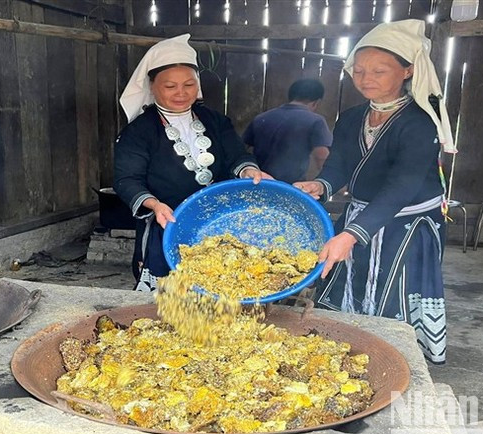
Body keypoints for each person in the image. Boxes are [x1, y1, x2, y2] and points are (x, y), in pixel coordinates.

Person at [294, 20, 457, 364]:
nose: (366, 78)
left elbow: (403, 185)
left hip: (408, 224)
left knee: (393, 292)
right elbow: (338, 163)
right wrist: (321, 185)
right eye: (359, 70)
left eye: (379, 71)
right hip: (362, 217)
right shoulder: (352, 117)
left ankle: (396, 362)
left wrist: (351, 234)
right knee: (343, 283)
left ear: (407, 71)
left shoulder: (419, 122)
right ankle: (347, 355)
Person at [113, 34, 271, 292]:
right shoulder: (139, 131)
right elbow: (127, 179)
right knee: (171, 300)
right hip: (168, 224)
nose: (181, 93)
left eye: (188, 84)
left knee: (219, 290)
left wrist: (249, 169)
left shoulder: (215, 121)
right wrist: (153, 204)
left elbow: (236, 155)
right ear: (152, 86)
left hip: (218, 225)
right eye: (170, 86)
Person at [243, 79, 332, 183]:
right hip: (292, 187)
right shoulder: (316, 121)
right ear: (317, 102)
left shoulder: (261, 118)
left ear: (291, 96)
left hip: (259, 182)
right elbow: (321, 157)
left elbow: (242, 149)